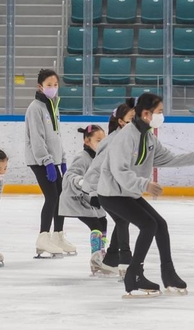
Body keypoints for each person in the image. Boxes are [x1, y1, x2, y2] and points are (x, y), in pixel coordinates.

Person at [97, 93, 194, 298]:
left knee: (159, 224)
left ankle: (168, 274)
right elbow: (120, 171)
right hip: (112, 193)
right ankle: (134, 275)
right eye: (160, 111)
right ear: (146, 114)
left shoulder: (148, 137)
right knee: (148, 224)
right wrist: (145, 184)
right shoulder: (125, 137)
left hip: (128, 192)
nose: (162, 115)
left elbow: (168, 159)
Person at [83, 99, 136, 277]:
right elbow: (95, 169)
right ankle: (123, 262)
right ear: (121, 121)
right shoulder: (112, 141)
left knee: (123, 220)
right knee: (123, 220)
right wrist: (92, 192)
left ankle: (112, 260)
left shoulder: (128, 138)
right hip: (104, 191)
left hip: (118, 190)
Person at [25, 69, 75, 256]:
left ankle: (58, 236)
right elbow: (37, 139)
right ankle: (43, 237)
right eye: (49, 85)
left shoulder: (53, 107)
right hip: (40, 160)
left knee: (61, 198)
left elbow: (56, 136)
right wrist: (47, 162)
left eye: (55, 85)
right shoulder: (35, 108)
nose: (53, 88)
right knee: (52, 197)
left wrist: (61, 159)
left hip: (53, 160)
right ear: (40, 87)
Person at [59, 125, 115, 276]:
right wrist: (81, 182)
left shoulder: (101, 158)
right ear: (87, 141)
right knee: (96, 224)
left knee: (103, 221)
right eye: (98, 140)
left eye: (104, 140)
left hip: (91, 198)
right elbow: (69, 176)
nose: (102, 143)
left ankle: (99, 254)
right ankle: (96, 258)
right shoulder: (82, 157)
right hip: (75, 198)